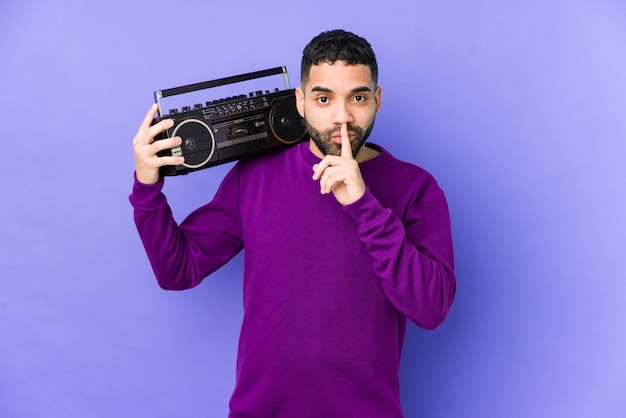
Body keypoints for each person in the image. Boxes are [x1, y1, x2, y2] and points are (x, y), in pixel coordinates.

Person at [130, 29, 455, 418]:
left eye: (358, 97)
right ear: (300, 103)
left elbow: (431, 308)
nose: (342, 116)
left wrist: (363, 204)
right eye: (323, 98)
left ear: (377, 100)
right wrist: (147, 187)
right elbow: (177, 270)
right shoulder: (255, 176)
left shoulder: (415, 188)